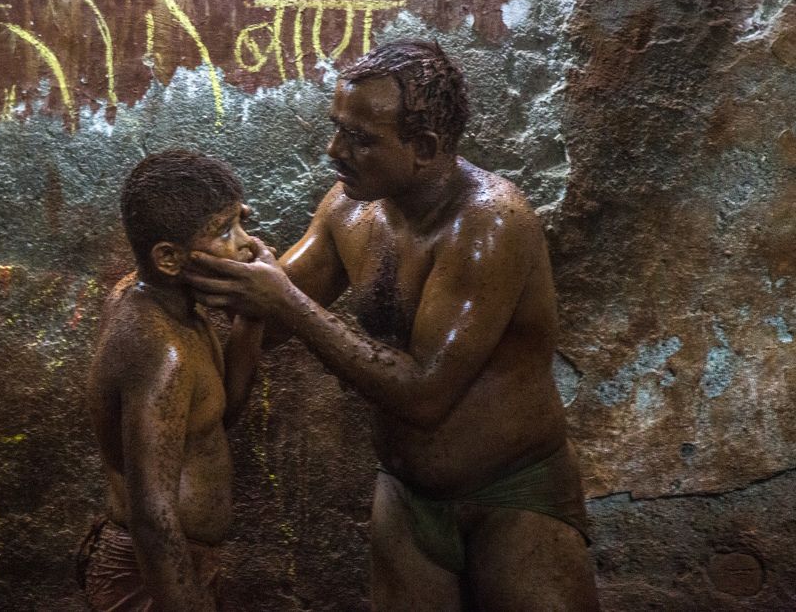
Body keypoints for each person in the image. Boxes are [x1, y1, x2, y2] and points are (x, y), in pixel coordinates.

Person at [185, 40, 600, 610]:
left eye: (360, 139)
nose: (336, 151)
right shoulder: (348, 207)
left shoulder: (491, 225)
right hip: (406, 494)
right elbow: (265, 312)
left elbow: (425, 395)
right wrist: (191, 275)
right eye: (337, 129)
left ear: (424, 148)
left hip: (514, 495)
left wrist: (282, 302)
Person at [79, 150, 263, 611]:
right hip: (150, 573)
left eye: (242, 221)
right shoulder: (161, 350)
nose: (247, 244)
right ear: (168, 258)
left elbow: (219, 415)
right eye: (225, 231)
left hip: (173, 564)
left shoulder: (180, 312)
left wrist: (252, 319)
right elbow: (152, 517)